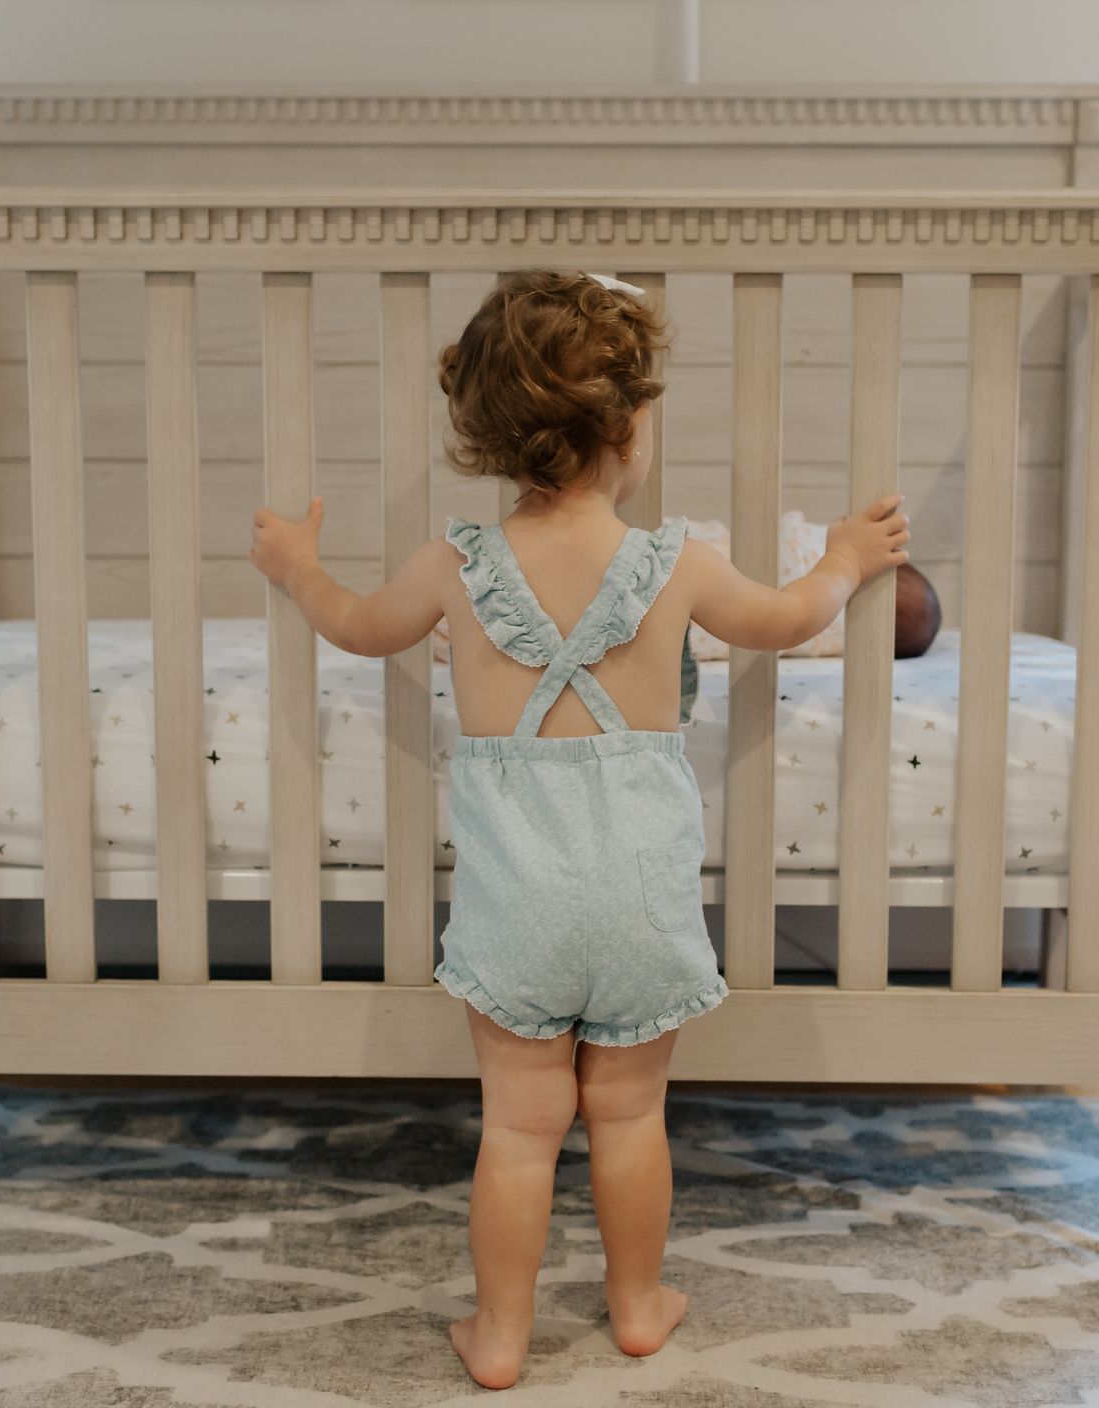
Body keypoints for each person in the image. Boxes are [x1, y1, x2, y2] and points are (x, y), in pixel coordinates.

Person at [249, 270, 908, 1389]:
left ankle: (499, 1336)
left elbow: (360, 629)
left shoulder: (451, 566)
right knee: (630, 1115)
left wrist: (299, 566)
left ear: (492, 434)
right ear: (628, 429)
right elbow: (789, 618)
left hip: (519, 913)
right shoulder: (677, 562)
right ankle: (639, 1305)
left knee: (518, 1129)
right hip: (638, 906)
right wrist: (846, 557)